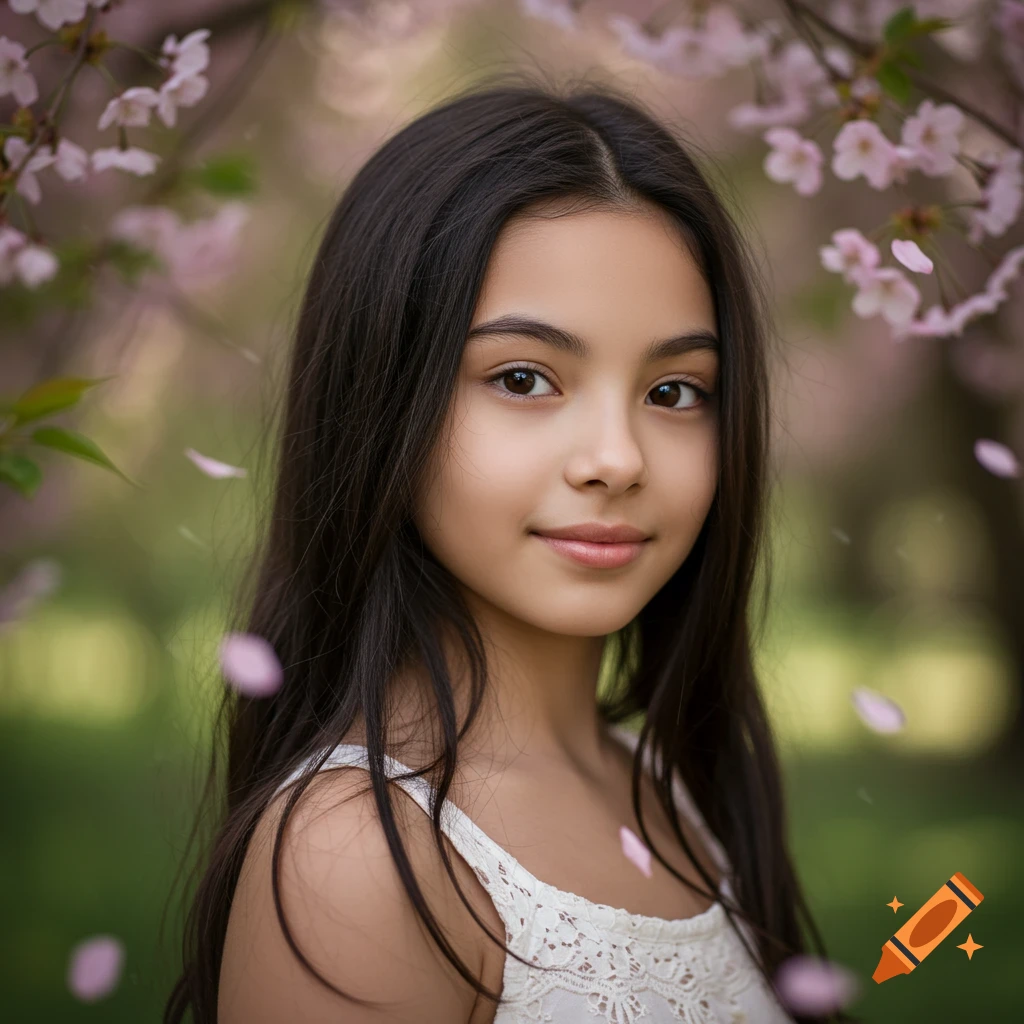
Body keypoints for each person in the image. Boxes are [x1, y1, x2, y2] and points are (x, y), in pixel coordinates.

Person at [164, 73, 853, 1024]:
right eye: (524, 377)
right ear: (382, 400)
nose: (616, 459)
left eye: (675, 391)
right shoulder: (363, 857)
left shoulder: (668, 784)